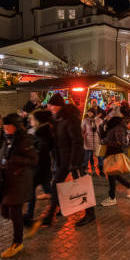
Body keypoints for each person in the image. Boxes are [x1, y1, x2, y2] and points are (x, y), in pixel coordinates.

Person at [31, 93, 95, 232]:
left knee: (81, 187)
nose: (49, 107)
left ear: (57, 106)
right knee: (56, 186)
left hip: (72, 160)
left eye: (51, 105)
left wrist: (74, 162)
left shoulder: (70, 118)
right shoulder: (57, 118)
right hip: (62, 159)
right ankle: (49, 215)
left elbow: (77, 141)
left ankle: (90, 214)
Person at [0, 113, 38, 258]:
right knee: (4, 211)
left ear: (15, 126)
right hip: (7, 181)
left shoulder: (24, 139)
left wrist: (13, 160)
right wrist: (1, 156)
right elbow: (4, 155)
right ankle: (29, 223)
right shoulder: (8, 138)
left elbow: (33, 159)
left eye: (7, 126)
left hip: (20, 180)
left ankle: (17, 243)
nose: (5, 129)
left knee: (14, 212)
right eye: (4, 127)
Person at [99, 106, 130, 206]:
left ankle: (113, 197)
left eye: (112, 112)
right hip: (110, 152)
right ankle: (128, 187)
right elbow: (102, 134)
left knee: (112, 175)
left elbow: (121, 143)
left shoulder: (119, 125)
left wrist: (106, 141)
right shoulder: (112, 123)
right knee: (113, 174)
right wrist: (104, 122)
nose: (109, 114)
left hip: (115, 152)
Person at [24, 109, 54, 226]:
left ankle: (29, 215)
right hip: (43, 167)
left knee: (32, 189)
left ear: (37, 121)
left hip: (39, 167)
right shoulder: (42, 131)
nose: (30, 121)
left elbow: (42, 150)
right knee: (48, 189)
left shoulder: (41, 133)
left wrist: (31, 153)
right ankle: (60, 206)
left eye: (32, 119)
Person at [81, 108, 103, 175]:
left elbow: (102, 129)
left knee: (99, 155)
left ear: (93, 113)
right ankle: (85, 169)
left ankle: (101, 169)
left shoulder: (99, 120)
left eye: (90, 112)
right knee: (87, 155)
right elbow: (82, 129)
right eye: (88, 112)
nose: (89, 113)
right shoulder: (85, 121)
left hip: (97, 140)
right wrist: (83, 136)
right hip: (88, 140)